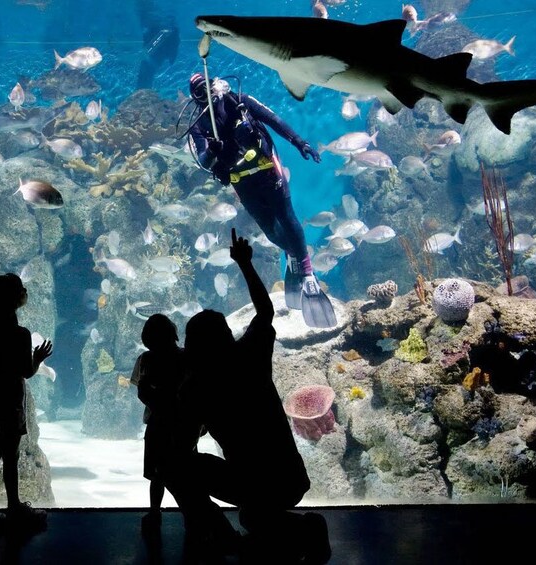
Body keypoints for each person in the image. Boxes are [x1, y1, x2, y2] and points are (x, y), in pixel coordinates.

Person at [168, 228, 331, 562]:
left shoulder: (198, 386)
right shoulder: (250, 355)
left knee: (176, 467)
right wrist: (244, 263)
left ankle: (224, 539)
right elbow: (266, 312)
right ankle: (302, 528)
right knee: (253, 517)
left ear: (193, 347)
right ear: (227, 335)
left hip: (251, 483)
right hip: (289, 480)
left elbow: (182, 449)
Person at [185, 72, 336, 328]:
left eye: (207, 86)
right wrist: (212, 150)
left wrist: (300, 143)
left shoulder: (240, 101)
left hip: (267, 168)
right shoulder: (198, 125)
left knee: (287, 217)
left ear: (215, 85)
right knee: (269, 231)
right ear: (194, 98)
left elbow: (274, 120)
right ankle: (291, 254)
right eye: (199, 91)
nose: (206, 93)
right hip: (242, 180)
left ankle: (309, 274)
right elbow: (202, 161)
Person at [0, 273, 53, 530]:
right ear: (15, 299)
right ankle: (14, 507)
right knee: (10, 455)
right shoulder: (20, 334)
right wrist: (37, 358)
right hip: (12, 401)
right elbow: (26, 372)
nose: (25, 291)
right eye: (20, 289)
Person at [130, 313, 196, 536]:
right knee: (187, 470)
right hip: (185, 423)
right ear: (174, 334)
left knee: (158, 473)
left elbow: (141, 390)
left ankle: (154, 511)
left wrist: (158, 405)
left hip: (158, 423)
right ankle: (192, 515)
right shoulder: (186, 357)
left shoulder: (146, 359)